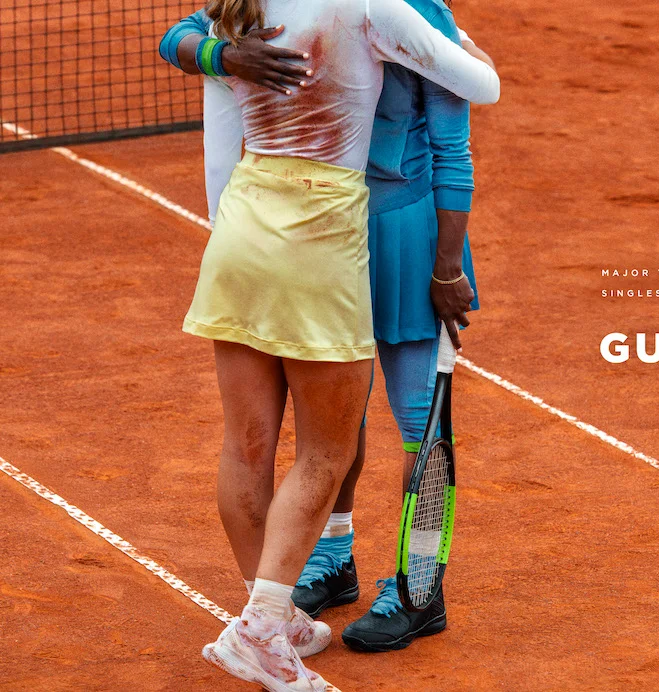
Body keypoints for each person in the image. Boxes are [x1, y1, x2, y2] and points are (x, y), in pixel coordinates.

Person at [165, 0, 499, 687]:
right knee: (335, 430)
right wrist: (218, 52)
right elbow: (188, 33)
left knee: (408, 423)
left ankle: (417, 584)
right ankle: (327, 558)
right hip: (326, 238)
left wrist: (446, 266)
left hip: (396, 240)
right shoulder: (320, 9)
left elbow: (453, 149)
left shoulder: (411, 14)